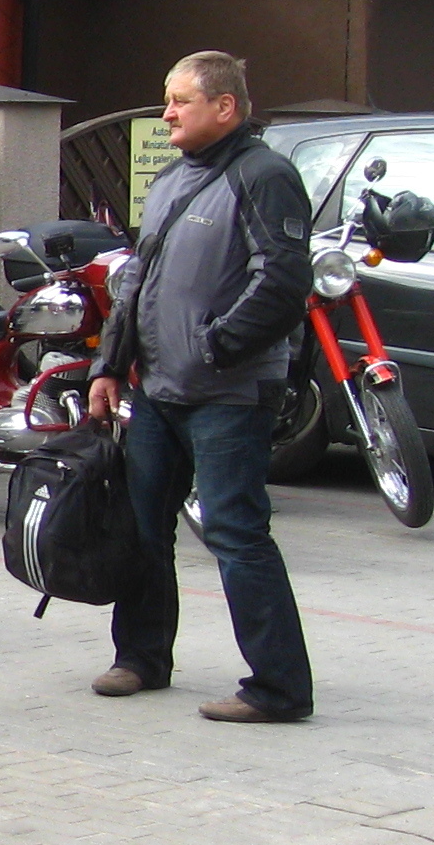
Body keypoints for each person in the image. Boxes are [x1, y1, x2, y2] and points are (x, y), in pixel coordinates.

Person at [84, 50, 316, 724]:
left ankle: (278, 690)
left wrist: (216, 346)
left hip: (230, 396)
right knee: (143, 528)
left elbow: (283, 281)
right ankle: (141, 658)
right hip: (158, 390)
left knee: (236, 534)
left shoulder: (266, 176)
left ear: (225, 106)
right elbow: (136, 282)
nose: (167, 114)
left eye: (180, 101)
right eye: (168, 99)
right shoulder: (170, 180)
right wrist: (108, 366)